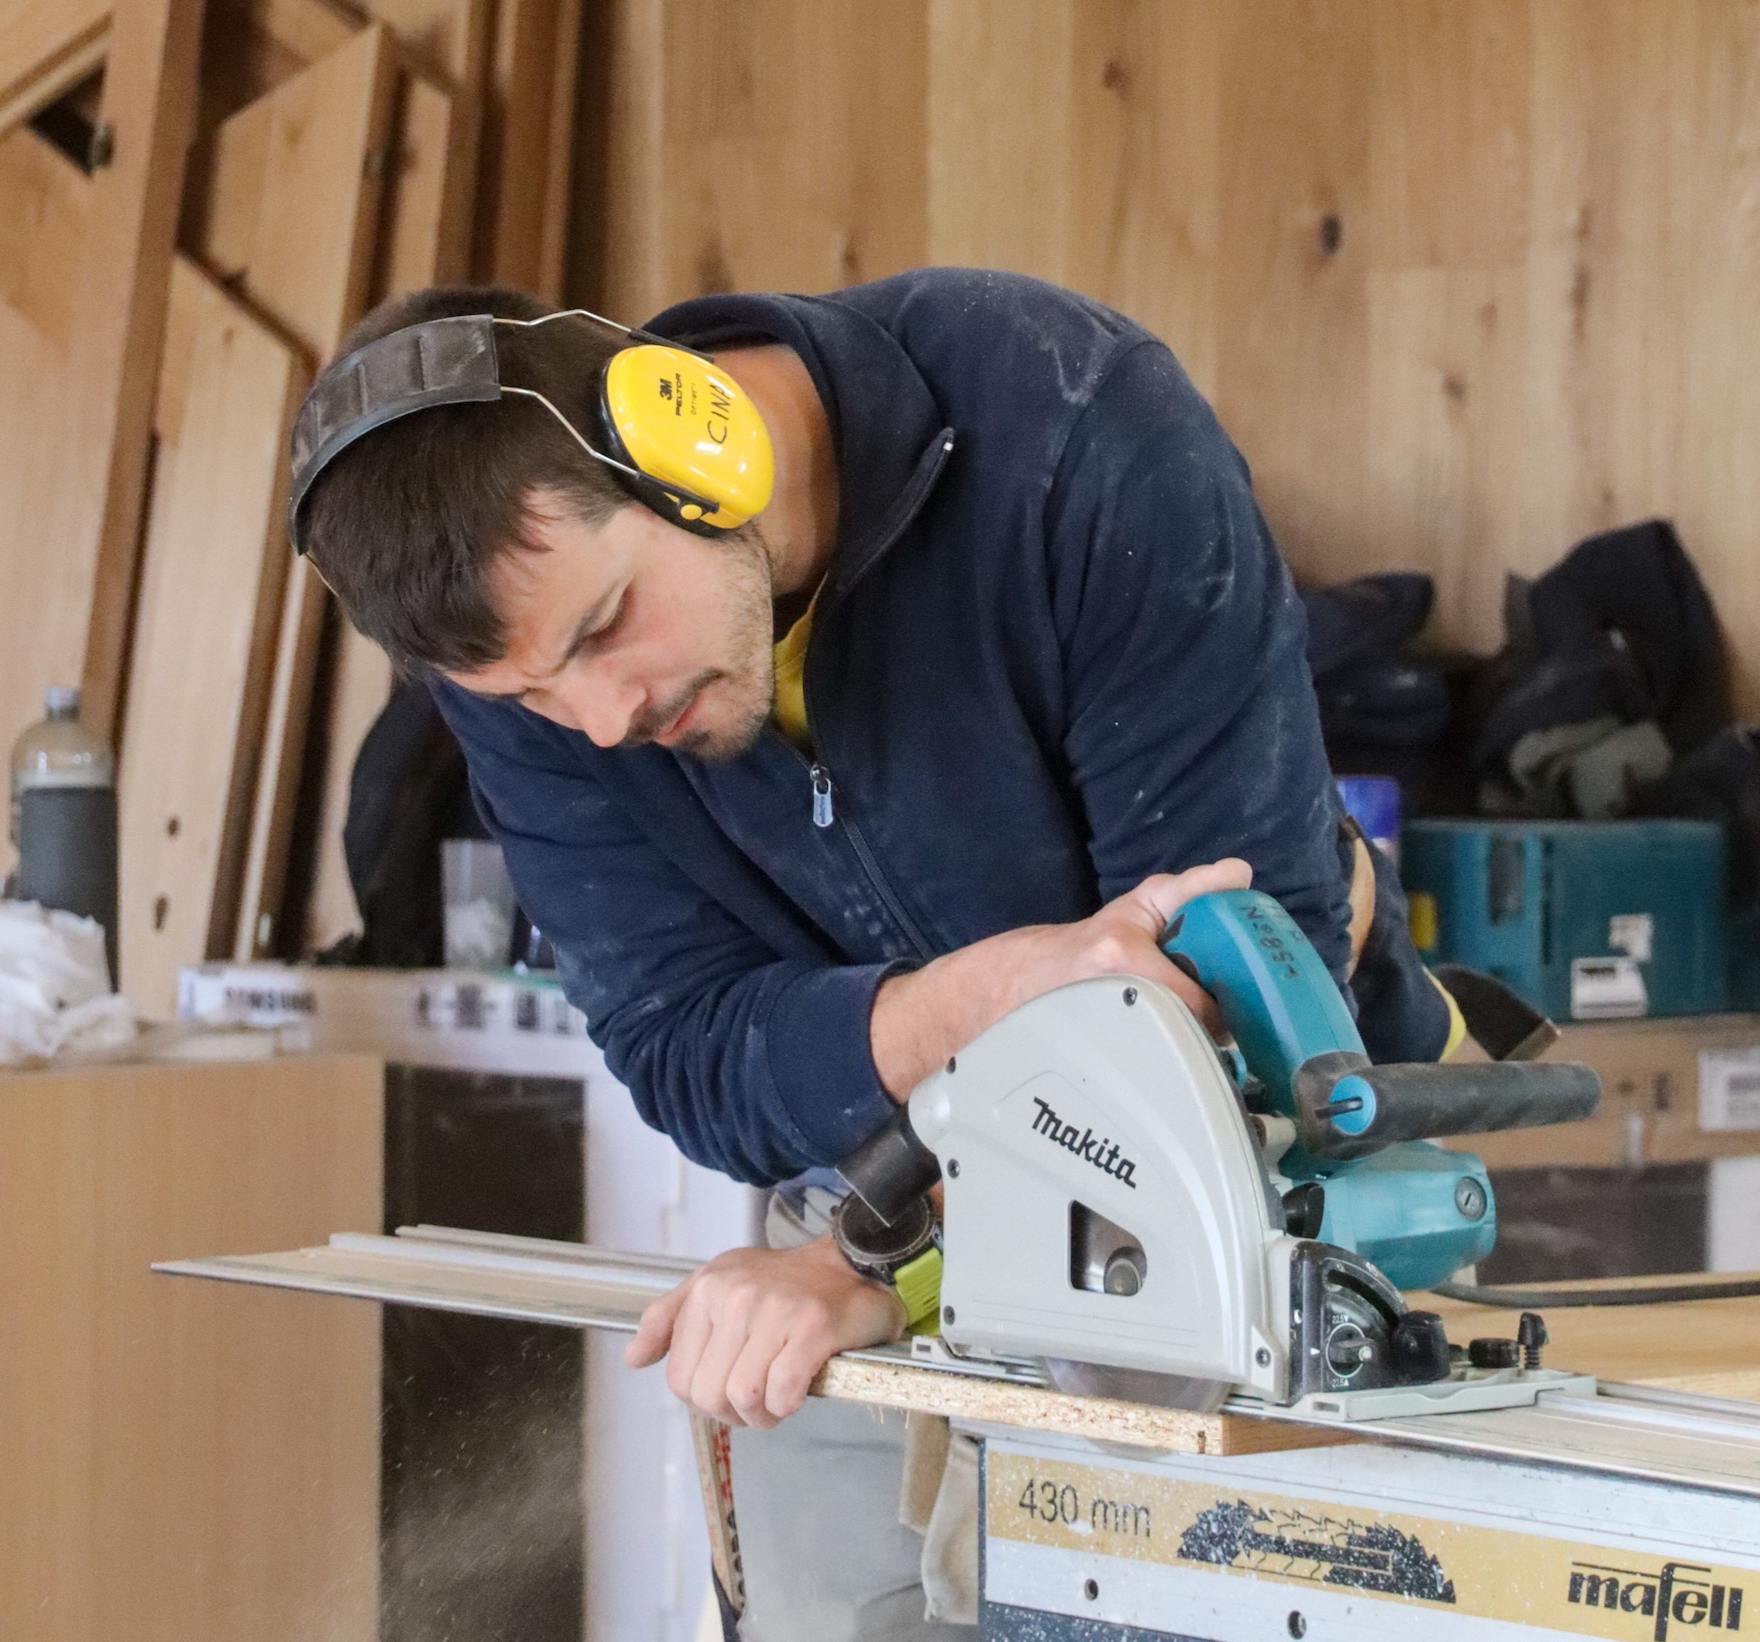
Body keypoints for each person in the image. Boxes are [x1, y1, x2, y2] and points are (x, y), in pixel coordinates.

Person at [288, 267, 1455, 1638]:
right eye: (534, 694)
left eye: (605, 629)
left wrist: (868, 1254)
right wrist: (986, 998)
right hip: (862, 1215)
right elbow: (687, 1047)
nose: (601, 721)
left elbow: (1220, 1001)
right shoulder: (545, 670)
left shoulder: (1079, 438)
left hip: (1212, 1218)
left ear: (693, 440)